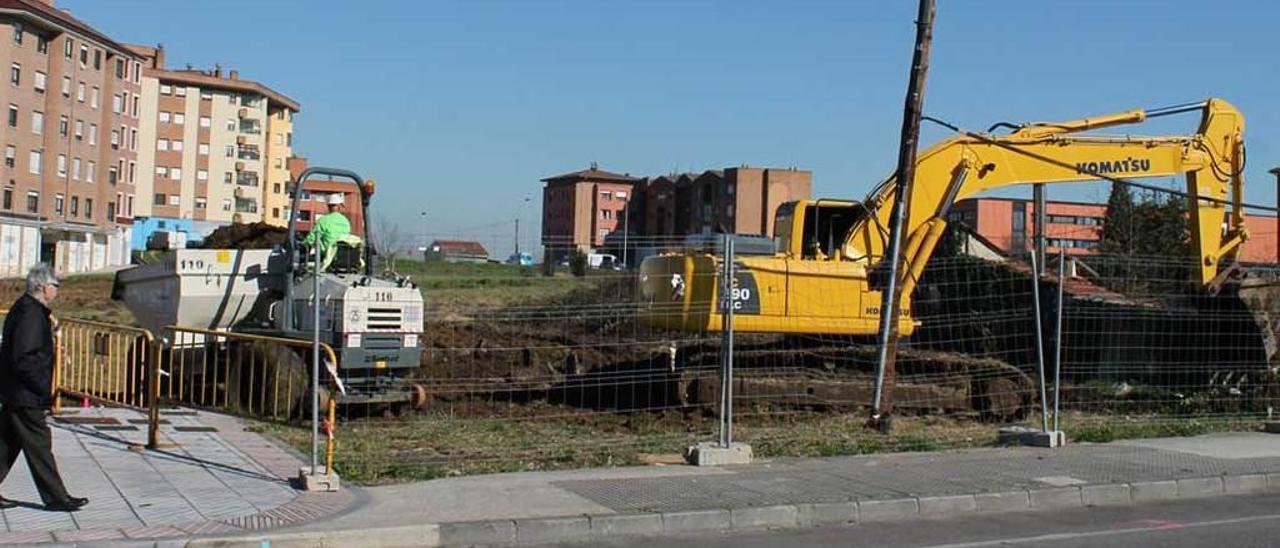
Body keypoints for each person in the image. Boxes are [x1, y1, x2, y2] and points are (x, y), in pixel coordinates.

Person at [0, 264, 87, 512]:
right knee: (39, 444)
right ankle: (57, 497)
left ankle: (57, 496)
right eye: (55, 286)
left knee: (6, 443)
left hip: (15, 390)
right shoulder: (31, 313)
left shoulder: (28, 308)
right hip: (25, 392)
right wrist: (41, 388)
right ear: (43, 287)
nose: (57, 290)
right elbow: (24, 357)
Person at [302, 193, 362, 271]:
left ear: (328, 206)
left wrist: (304, 243)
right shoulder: (346, 221)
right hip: (344, 256)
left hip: (327, 256)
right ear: (340, 207)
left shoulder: (323, 220)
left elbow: (311, 238)